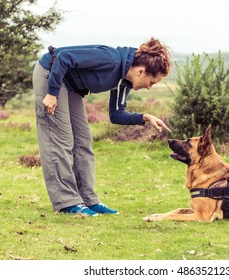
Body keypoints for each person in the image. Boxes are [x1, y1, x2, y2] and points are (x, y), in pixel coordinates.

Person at [32, 37, 171, 216]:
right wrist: (52, 93)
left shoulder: (124, 82)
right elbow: (64, 57)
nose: (150, 87)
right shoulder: (109, 58)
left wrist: (144, 117)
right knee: (61, 139)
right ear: (141, 71)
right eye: (151, 82)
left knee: (83, 141)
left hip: (72, 86)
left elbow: (116, 115)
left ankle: (88, 199)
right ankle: (67, 202)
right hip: (51, 75)